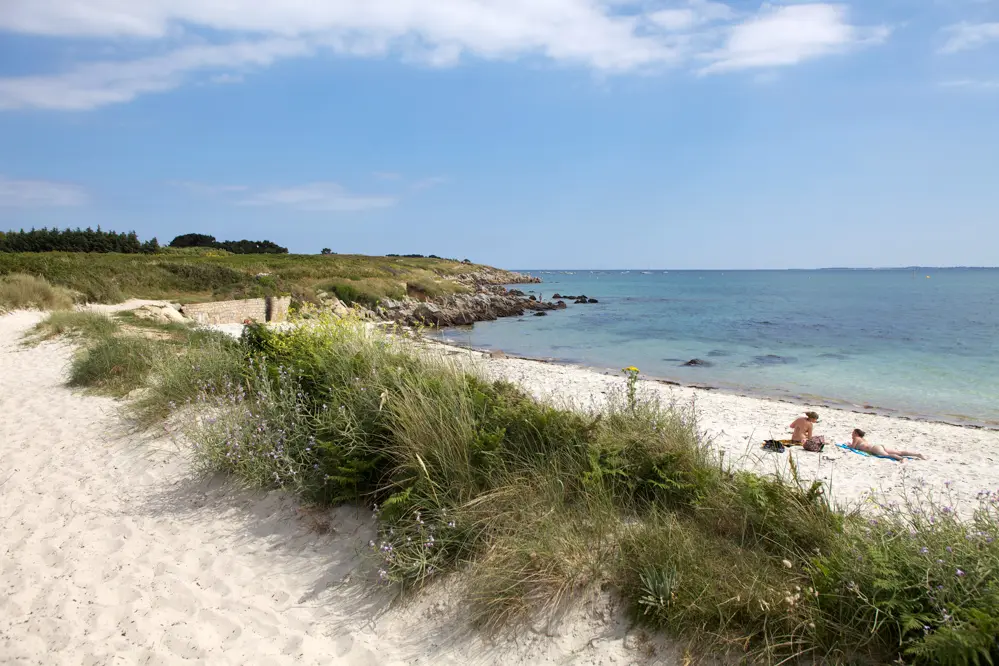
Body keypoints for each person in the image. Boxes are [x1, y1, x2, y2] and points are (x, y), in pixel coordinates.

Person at [849, 429, 927, 461]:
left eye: (853, 432)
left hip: (874, 448)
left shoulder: (856, 438)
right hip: (877, 445)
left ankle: (901, 459)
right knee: (899, 452)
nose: (852, 434)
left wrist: (849, 445)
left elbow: (853, 447)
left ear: (856, 433)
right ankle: (917, 455)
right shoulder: (863, 439)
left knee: (887, 455)